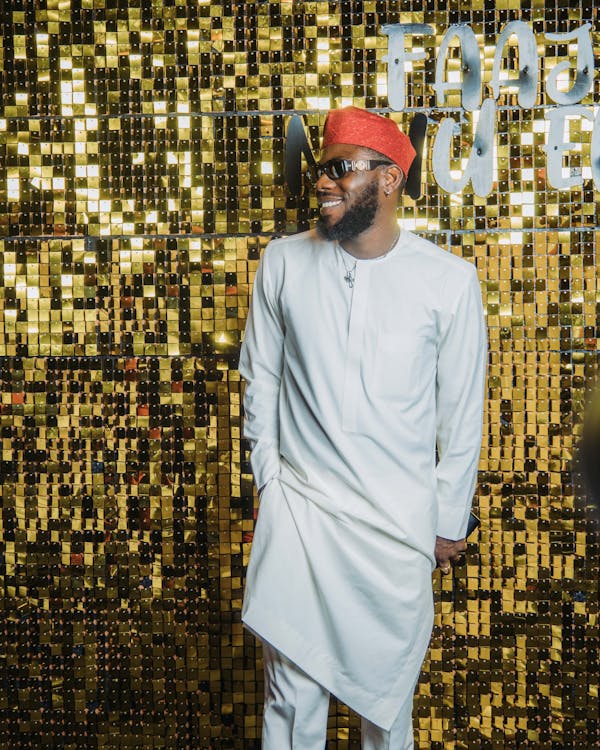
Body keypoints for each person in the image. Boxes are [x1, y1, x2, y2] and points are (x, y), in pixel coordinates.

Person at [238, 106, 487, 750]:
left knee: (384, 707)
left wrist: (446, 518)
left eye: (340, 169)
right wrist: (272, 481)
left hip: (393, 531)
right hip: (303, 514)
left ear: (389, 180)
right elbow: (258, 378)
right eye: (322, 169)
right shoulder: (284, 263)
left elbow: (462, 413)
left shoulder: (449, 282)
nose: (323, 183)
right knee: (291, 698)